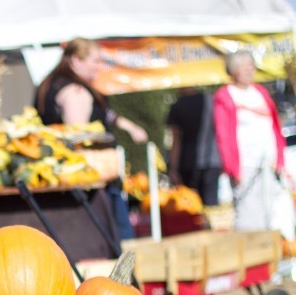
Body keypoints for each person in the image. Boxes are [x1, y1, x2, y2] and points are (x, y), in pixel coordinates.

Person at [35, 38, 149, 240]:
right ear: (77, 60)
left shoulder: (51, 84)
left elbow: (105, 114)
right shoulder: (74, 91)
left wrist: (129, 126)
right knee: (115, 237)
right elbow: (79, 139)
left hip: (65, 176)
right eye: (95, 61)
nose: (100, 66)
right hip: (91, 182)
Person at [212, 50, 296, 239]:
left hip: (270, 164)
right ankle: (254, 262)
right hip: (247, 167)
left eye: (251, 66)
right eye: (244, 67)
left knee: (276, 210)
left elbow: (274, 126)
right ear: (233, 71)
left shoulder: (260, 92)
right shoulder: (225, 96)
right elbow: (223, 135)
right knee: (250, 214)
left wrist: (280, 158)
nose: (249, 70)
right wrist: (233, 168)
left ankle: (279, 255)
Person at [167, 87, 223, 207]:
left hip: (188, 163)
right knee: (210, 206)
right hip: (213, 161)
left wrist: (173, 168)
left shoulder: (179, 105)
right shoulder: (211, 100)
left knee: (190, 207)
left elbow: (175, 140)